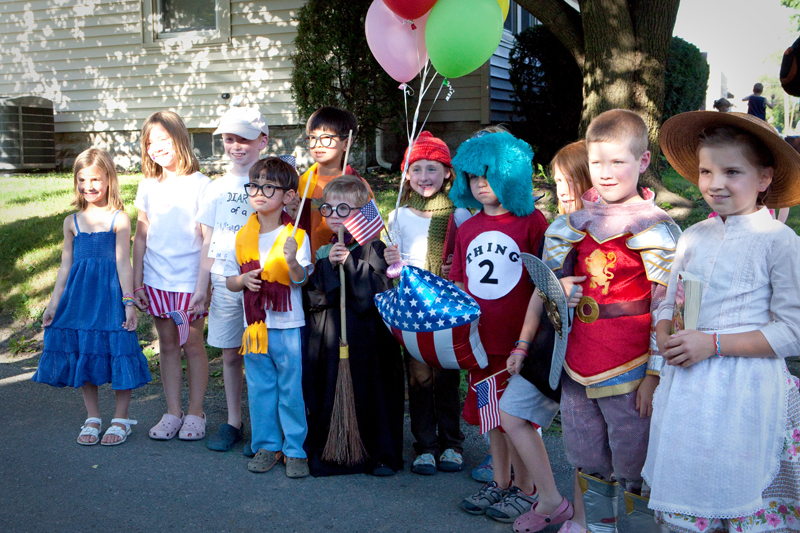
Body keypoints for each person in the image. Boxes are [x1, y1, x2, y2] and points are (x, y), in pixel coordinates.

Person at [643, 111, 800, 532]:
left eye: (732, 172)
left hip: (745, 389)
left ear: (764, 178)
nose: (715, 184)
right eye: (706, 171)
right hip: (688, 389)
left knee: (737, 486)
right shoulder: (694, 236)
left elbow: (792, 331)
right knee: (687, 492)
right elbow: (671, 303)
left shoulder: (779, 242)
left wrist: (711, 344)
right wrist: (664, 333)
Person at [543, 109, 681, 533]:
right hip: (577, 362)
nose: (604, 173)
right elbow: (547, 291)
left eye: (617, 162)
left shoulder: (656, 227)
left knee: (634, 463)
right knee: (586, 457)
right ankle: (596, 528)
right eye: (597, 162)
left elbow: (668, 306)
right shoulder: (573, 224)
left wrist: (654, 375)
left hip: (631, 367)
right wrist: (558, 291)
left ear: (642, 163)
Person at [447, 131, 550, 523]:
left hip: (517, 341)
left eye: (489, 173)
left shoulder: (532, 222)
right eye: (474, 176)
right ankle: (502, 481)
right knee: (492, 415)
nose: (481, 183)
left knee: (517, 417)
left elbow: (544, 283)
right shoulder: (468, 226)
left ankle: (528, 489)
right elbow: (459, 279)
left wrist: (529, 339)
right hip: (481, 340)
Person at [32, 148, 151, 446]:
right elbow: (65, 266)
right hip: (80, 299)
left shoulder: (119, 219)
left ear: (109, 179)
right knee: (85, 351)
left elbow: (124, 262)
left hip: (110, 298)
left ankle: (121, 418)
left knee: (119, 349)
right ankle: (93, 417)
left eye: (95, 179)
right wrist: (52, 304)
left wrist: (128, 302)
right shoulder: (71, 222)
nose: (89, 186)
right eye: (82, 180)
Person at [303, 175, 405, 477]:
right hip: (333, 340)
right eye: (328, 209)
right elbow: (317, 297)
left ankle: (379, 454)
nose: (334, 215)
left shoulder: (375, 247)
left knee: (372, 393)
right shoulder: (326, 250)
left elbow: (373, 293)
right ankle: (335, 450)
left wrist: (348, 263)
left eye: (343, 209)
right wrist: (326, 267)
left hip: (368, 343)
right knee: (331, 389)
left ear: (362, 212)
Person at [383, 131, 470, 475]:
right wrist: (391, 260)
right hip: (413, 309)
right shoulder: (399, 216)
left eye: (432, 169)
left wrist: (453, 267)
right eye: (416, 169)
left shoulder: (459, 214)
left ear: (448, 173)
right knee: (418, 380)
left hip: (446, 308)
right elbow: (394, 268)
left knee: (447, 378)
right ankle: (425, 446)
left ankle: (451, 443)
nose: (424, 177)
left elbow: (465, 258)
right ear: (406, 174)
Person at [224, 157, 312, 478]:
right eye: (254, 185)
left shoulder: (296, 237)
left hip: (288, 325)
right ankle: (267, 444)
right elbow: (230, 280)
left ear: (288, 196)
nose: (259, 192)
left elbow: (302, 279)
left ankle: (295, 448)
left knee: (291, 388)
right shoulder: (243, 236)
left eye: (268, 187)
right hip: (255, 327)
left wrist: (292, 261)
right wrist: (243, 281)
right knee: (260, 387)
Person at [132, 111, 211, 441]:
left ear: (181, 139)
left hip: (189, 282)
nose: (157, 147)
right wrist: (137, 281)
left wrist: (202, 287)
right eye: (151, 142)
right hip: (156, 280)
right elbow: (141, 234)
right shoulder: (148, 185)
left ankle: (196, 411)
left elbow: (208, 239)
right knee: (166, 345)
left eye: (164, 139)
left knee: (192, 344)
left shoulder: (202, 185)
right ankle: (173, 411)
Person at [196, 106, 270, 452]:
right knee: (230, 354)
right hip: (225, 280)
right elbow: (207, 239)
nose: (236, 146)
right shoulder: (215, 188)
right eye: (229, 139)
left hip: (263, 280)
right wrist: (202, 287)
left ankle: (265, 426)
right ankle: (233, 421)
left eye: (245, 138)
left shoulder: (272, 182)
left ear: (262, 141)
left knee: (261, 353)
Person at [288, 106, 375, 257]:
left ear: (346, 143)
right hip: (308, 270)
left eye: (327, 138)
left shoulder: (358, 185)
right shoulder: (301, 183)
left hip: (346, 268)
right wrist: (290, 214)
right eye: (313, 138)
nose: (318, 144)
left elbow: (373, 232)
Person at [552, 140, 592, 215]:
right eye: (559, 181)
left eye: (571, 181)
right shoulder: (560, 225)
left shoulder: (607, 225)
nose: (562, 192)